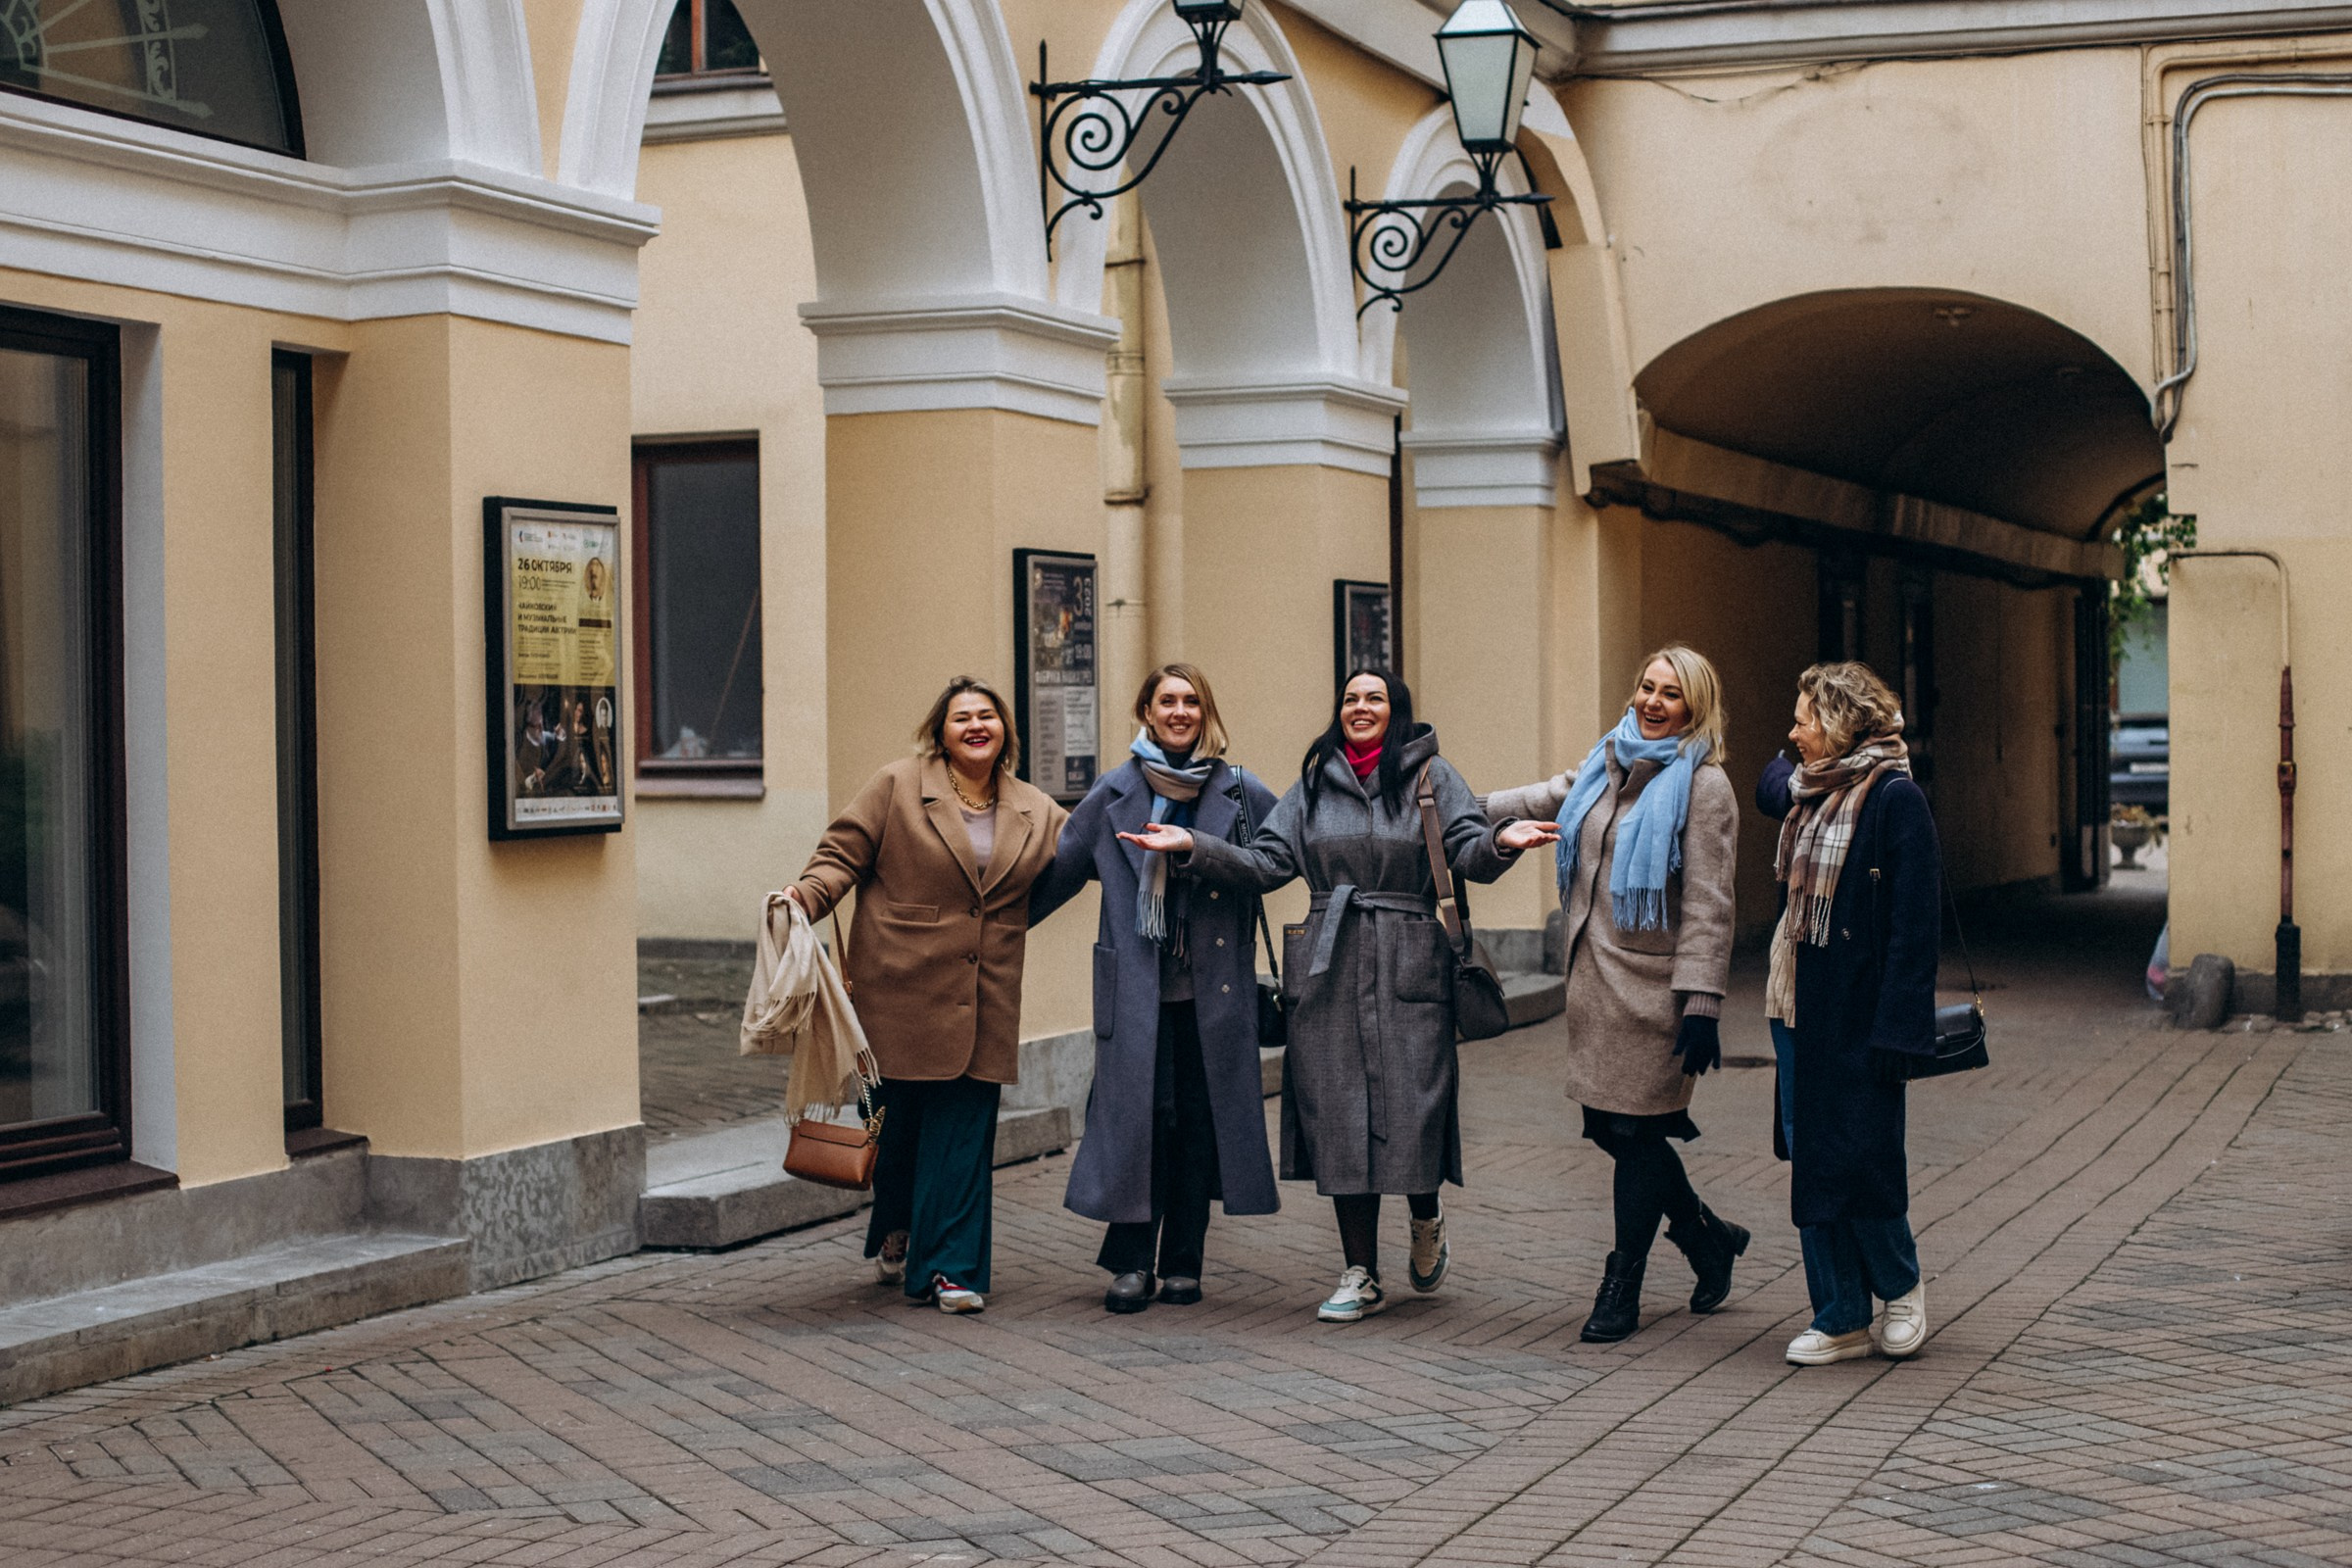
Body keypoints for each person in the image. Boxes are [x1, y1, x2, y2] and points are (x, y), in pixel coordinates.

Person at [1123, 671, 1558, 1322]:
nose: (1360, 708)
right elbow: (1267, 862)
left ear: (1397, 710)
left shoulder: (1432, 776)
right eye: (1351, 699)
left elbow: (1467, 848)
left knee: (1415, 1112)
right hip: (1327, 969)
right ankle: (1360, 1272)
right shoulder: (1314, 782)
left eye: (1373, 698)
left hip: (1410, 957)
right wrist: (1195, 846)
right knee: (1338, 1119)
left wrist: (1503, 840)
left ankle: (1424, 1211)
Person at [1483, 646, 1746, 1343]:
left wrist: (1702, 1000)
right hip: (1595, 984)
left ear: (1695, 708)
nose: (1652, 703)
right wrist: (1456, 807)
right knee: (1607, 1126)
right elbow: (1545, 795)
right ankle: (1704, 1236)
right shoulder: (1610, 758)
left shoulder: (1706, 785)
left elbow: (1710, 902)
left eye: (1670, 694)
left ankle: (1622, 1283)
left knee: (1635, 1134)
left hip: (1657, 992)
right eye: (1645, 687)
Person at [786, 675, 1068, 1314]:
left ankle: (949, 1270)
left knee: (965, 1136)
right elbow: (842, 854)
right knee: (896, 1129)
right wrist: (806, 894)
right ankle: (897, 1221)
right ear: (939, 732)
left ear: (1005, 732)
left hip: (982, 994)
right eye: (962, 716)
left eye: (987, 716)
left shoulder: (1034, 807)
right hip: (896, 989)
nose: (976, 725)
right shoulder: (897, 786)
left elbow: (1076, 858)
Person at [1030, 663, 1281, 1313]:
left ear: (1205, 711)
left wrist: (1199, 847)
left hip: (1213, 997)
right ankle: (1132, 1261)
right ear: (1146, 710)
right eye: (1167, 700)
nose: (1180, 711)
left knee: (1196, 1124)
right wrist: (973, 921)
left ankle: (1183, 1263)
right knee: (1143, 1121)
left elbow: (1281, 860)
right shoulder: (1113, 790)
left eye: (1192, 700)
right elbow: (1054, 874)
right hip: (1137, 997)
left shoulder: (1239, 789)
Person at [1755, 661, 1938, 1365]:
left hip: (1861, 1017)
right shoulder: (1807, 790)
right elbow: (1772, 776)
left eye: (1804, 717)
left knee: (1861, 1154)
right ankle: (1838, 1313)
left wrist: (1900, 1028)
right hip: (1798, 1001)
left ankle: (1901, 1285)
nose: (1793, 731)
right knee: (1812, 1157)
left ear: (1836, 722)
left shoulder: (1894, 800)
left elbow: (1914, 928)